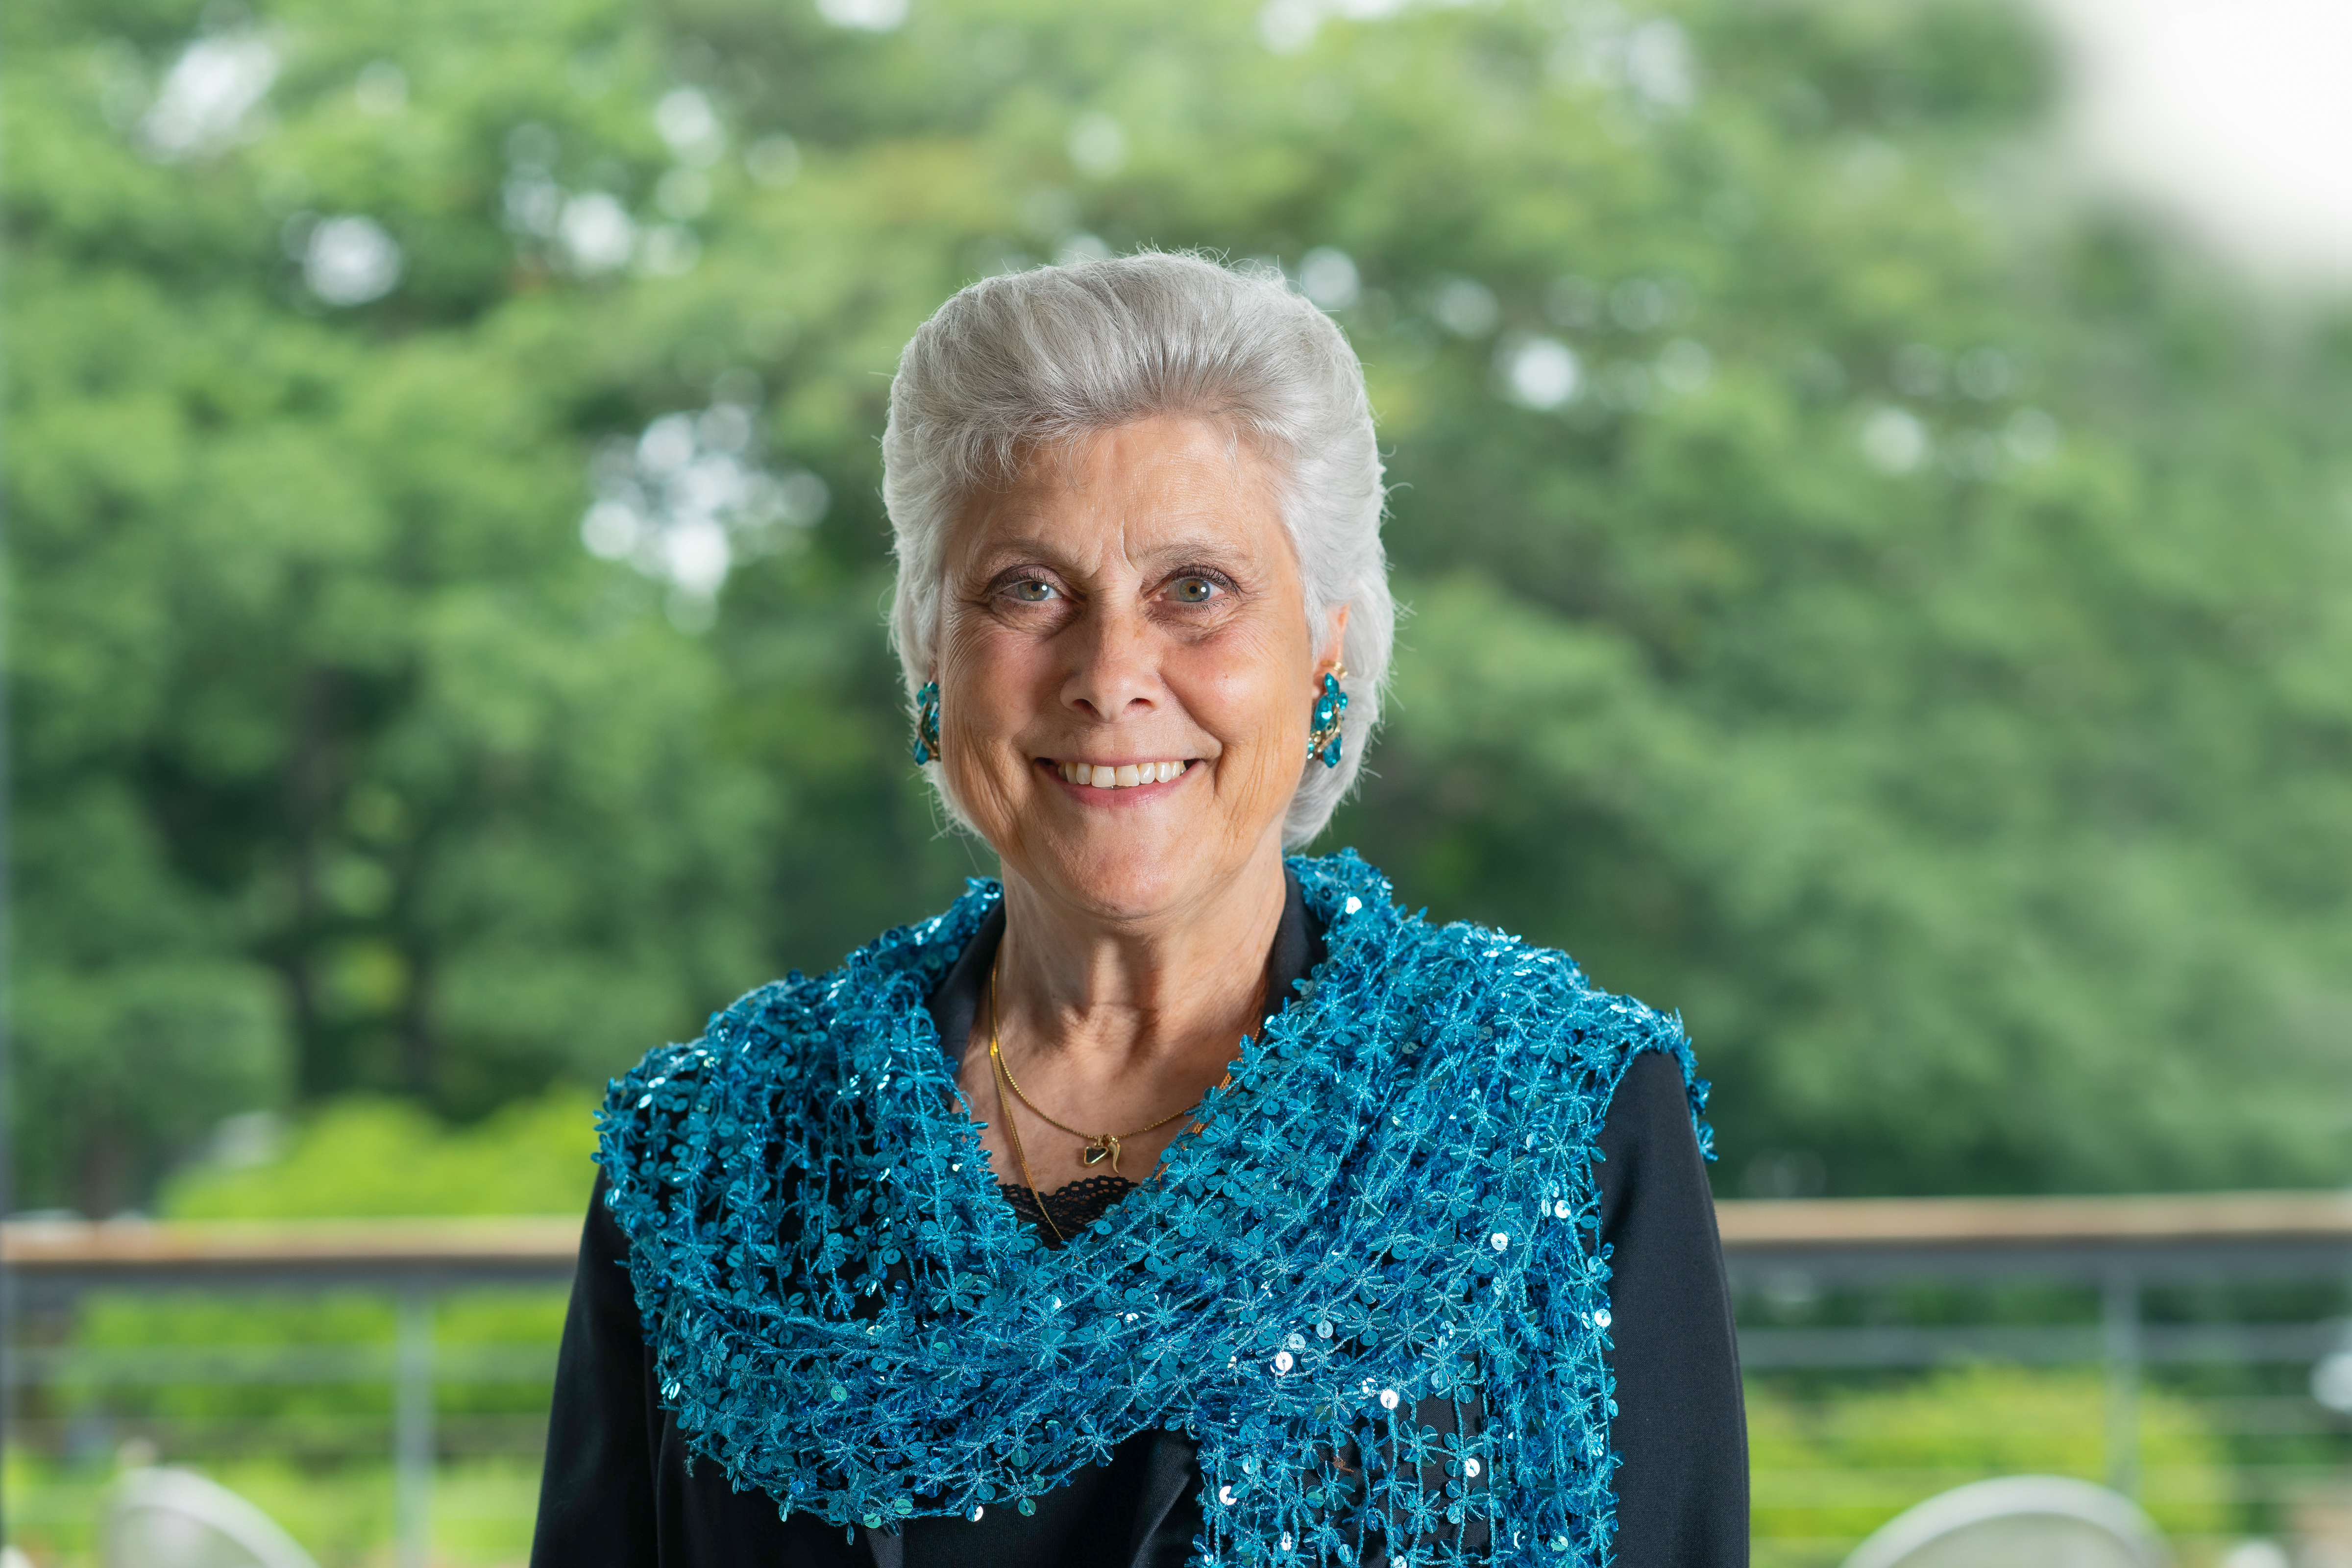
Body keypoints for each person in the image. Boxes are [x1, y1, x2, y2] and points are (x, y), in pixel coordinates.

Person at [531, 251, 1745, 1568]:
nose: (1112, 677)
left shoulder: (1561, 1112)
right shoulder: (710, 1150)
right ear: (928, 651)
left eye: (1199, 591)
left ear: (1326, 650)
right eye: (1027, 591)